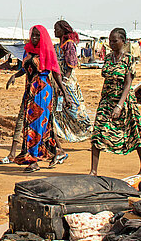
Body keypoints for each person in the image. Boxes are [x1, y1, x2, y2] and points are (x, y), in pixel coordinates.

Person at [90, 28, 141, 176]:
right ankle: (93, 170)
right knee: (98, 131)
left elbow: (128, 83)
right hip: (107, 99)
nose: (111, 43)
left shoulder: (129, 59)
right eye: (110, 41)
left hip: (124, 100)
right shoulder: (108, 58)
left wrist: (119, 105)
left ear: (123, 41)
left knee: (134, 132)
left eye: (115, 41)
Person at [10, 25, 70, 173]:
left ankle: (33, 161)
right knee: (34, 124)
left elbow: (56, 73)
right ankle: (55, 153)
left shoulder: (47, 51)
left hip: (42, 91)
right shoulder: (28, 50)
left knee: (36, 125)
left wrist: (65, 93)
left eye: (38, 36)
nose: (35, 38)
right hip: (29, 91)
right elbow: (25, 68)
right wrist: (14, 76)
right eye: (33, 35)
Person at [51, 20, 92, 167]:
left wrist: (64, 82)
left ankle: (90, 132)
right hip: (58, 82)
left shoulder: (68, 44)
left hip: (66, 83)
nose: (54, 31)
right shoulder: (58, 45)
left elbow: (70, 66)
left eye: (56, 28)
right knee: (59, 111)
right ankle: (61, 135)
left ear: (63, 30)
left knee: (75, 110)